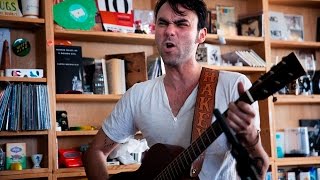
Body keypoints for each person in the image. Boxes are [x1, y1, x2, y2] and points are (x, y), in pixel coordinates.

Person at [83, 0, 269, 179]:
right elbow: (95, 151)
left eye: (181, 24)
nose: (170, 31)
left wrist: (251, 139)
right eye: (163, 23)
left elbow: (258, 174)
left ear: (201, 35)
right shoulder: (138, 95)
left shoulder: (233, 86)